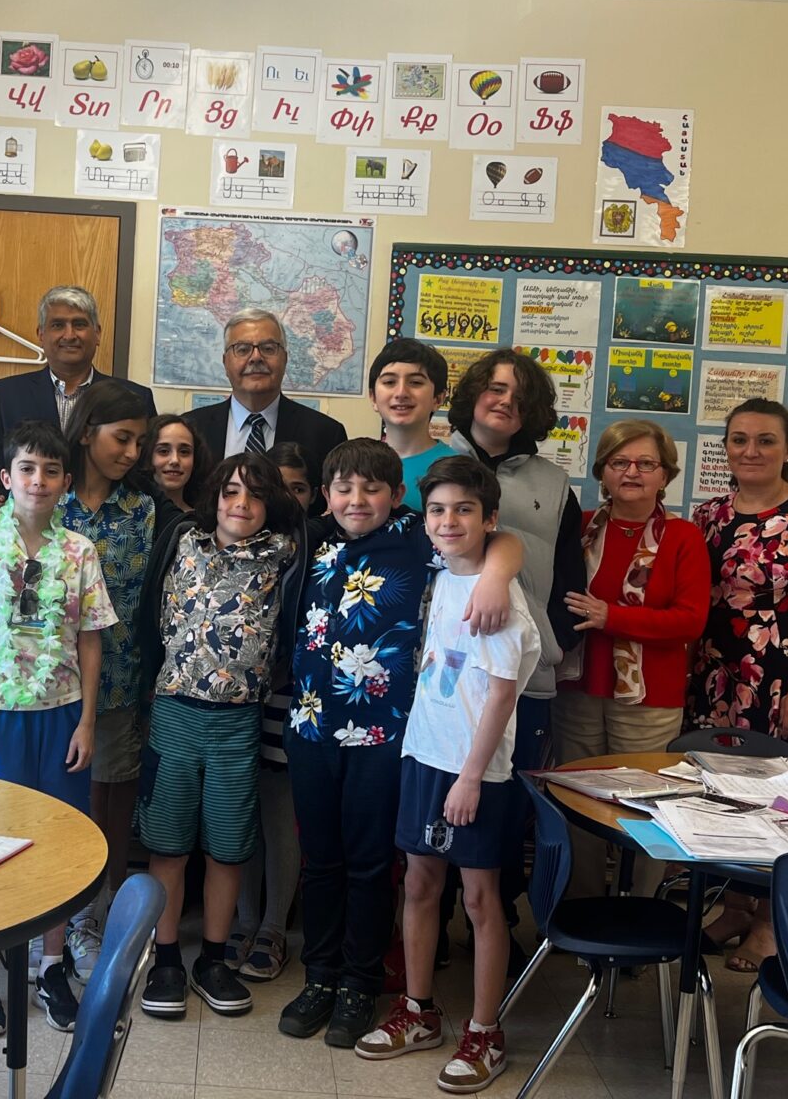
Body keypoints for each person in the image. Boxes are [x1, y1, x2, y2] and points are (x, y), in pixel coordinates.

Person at [354, 455, 540, 1095]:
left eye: (464, 509)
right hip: (424, 757)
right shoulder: (444, 572)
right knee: (420, 885)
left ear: (489, 518)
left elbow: (499, 697)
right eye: (438, 509)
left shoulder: (501, 601)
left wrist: (469, 776)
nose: (448, 519)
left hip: (475, 773)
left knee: (482, 900)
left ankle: (486, 1032)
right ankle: (418, 1010)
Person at [0, 421, 117, 1035]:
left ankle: (50, 963)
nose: (37, 481)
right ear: (7, 477)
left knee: (60, 843)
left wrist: (89, 720)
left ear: (66, 481)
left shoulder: (80, 552)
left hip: (62, 713)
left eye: (50, 470)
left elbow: (91, 642)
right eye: (26, 469)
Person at [687, 398, 788, 973]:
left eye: (765, 440)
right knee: (727, 801)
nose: (750, 451)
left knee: (787, 804)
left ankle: (770, 923)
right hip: (720, 679)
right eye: (738, 440)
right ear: (725, 447)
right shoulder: (707, 515)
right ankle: (734, 906)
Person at [137, 452, 300, 1020]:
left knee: (228, 847)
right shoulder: (184, 539)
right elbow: (148, 617)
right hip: (174, 711)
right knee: (168, 843)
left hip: (237, 721)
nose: (241, 504)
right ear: (215, 496)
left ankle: (212, 958)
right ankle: (165, 960)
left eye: (255, 495)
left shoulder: (285, 553)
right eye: (231, 491)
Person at [446, 347, 580, 943]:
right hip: (440, 672)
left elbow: (570, 578)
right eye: (495, 388)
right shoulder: (431, 458)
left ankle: (494, 929)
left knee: (506, 808)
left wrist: (548, 642)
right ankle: (434, 928)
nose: (505, 401)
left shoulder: (554, 483)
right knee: (436, 797)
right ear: (474, 392)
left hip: (525, 677)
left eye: (520, 395)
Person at [553, 419, 710, 897]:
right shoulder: (579, 530)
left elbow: (689, 621)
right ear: (603, 472)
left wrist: (612, 617)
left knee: (647, 806)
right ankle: (583, 908)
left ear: (665, 475)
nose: (633, 472)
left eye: (646, 463)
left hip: (648, 698)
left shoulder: (684, 538)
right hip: (578, 687)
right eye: (620, 462)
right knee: (578, 803)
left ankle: (642, 912)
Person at [57, 381, 154, 983]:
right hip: (45, 683)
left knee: (112, 803)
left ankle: (96, 918)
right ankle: (55, 921)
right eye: (122, 438)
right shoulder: (47, 496)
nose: (132, 453)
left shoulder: (141, 509)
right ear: (87, 431)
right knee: (60, 802)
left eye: (140, 443)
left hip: (120, 677)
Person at [228, 440, 312, 985]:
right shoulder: (228, 544)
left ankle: (274, 925)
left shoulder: (306, 547)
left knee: (280, 813)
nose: (284, 497)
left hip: (286, 696)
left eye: (295, 488)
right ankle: (241, 918)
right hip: (234, 699)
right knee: (241, 809)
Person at [0, 286, 156, 466]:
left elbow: (147, 468)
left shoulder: (136, 397)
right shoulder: (4, 395)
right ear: (41, 334)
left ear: (98, 334)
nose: (69, 335)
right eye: (58, 325)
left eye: (79, 324)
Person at [181, 307, 348, 499]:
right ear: (225, 362)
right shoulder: (192, 429)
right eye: (242, 349)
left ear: (285, 359)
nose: (256, 357)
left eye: (268, 349)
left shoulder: (326, 434)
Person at [369, 339, 455, 511]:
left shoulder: (458, 468)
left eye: (415, 382)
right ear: (373, 398)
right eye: (389, 382)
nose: (401, 393)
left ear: (438, 399)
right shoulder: (355, 464)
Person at [143, 413, 212, 524]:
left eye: (184, 452)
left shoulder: (205, 523)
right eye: (163, 451)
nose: (175, 460)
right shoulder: (128, 516)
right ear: (146, 455)